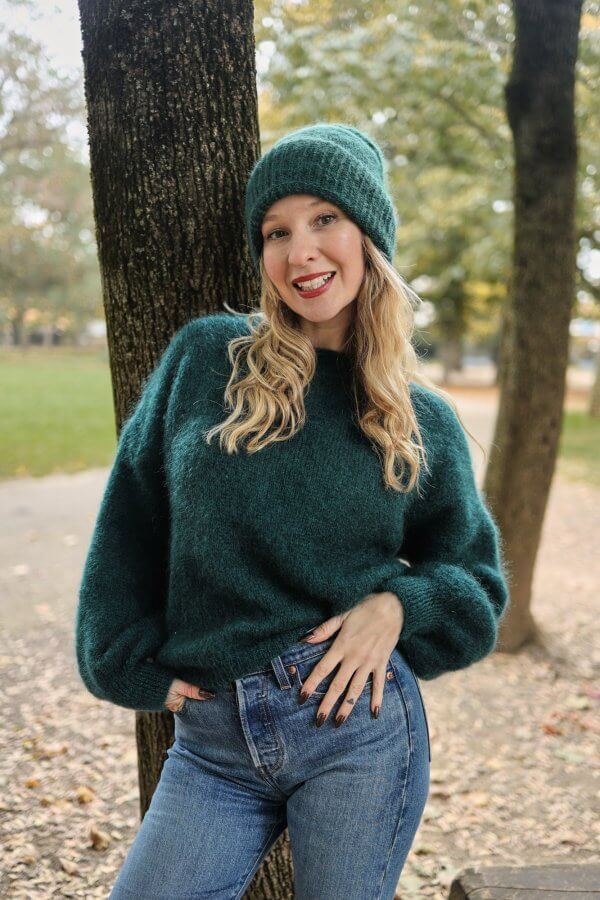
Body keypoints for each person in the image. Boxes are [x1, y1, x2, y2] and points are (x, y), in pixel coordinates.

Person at [75, 122, 510, 899]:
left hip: (356, 733)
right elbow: (131, 521)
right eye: (276, 231)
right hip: (212, 743)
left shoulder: (418, 420)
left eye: (324, 219)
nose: (299, 251)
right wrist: (122, 660)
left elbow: (476, 585)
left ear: (368, 234)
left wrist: (399, 606)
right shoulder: (207, 359)